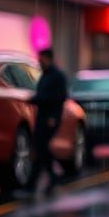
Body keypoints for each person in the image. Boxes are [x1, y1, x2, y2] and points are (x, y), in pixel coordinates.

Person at [26, 47, 69, 195]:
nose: (39, 61)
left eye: (41, 59)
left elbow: (59, 98)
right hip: (42, 116)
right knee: (39, 148)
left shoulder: (57, 76)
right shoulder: (45, 75)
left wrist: (52, 116)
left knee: (40, 147)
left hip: (49, 118)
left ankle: (49, 176)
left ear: (48, 58)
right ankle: (44, 178)